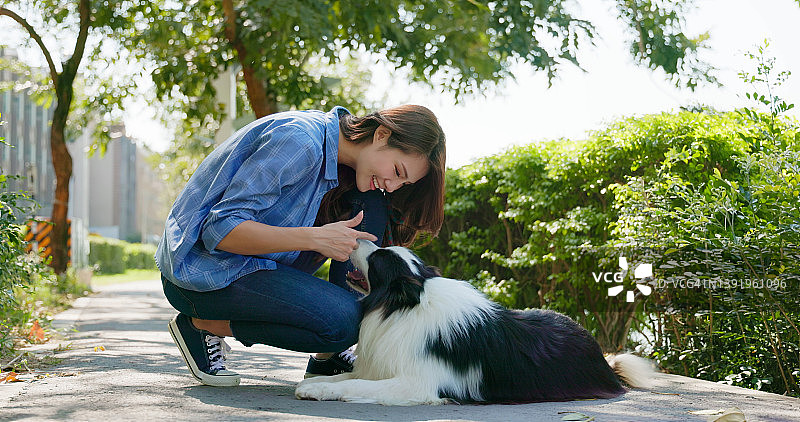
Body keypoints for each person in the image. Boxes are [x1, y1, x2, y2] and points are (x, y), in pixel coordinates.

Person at [155, 105, 446, 386]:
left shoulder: (339, 160)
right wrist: (315, 238)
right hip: (203, 274)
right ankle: (201, 325)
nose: (392, 185)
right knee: (344, 322)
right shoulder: (300, 142)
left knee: (370, 202)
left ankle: (329, 357)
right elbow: (220, 230)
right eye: (397, 171)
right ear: (381, 134)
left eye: (403, 183)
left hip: (254, 263)